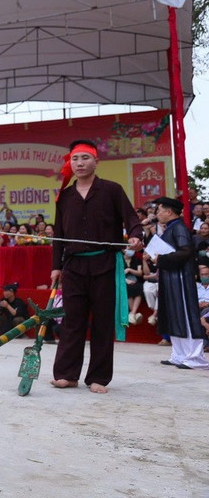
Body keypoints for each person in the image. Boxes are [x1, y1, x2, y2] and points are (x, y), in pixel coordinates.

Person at [50, 140, 143, 394]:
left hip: (104, 265)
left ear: (96, 162)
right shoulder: (65, 196)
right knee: (72, 322)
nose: (79, 164)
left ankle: (98, 377)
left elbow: (132, 219)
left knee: (102, 322)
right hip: (73, 267)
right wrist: (56, 266)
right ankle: (66, 375)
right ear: (70, 163)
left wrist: (136, 236)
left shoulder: (111, 190)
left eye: (85, 158)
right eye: (75, 159)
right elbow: (58, 234)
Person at [148, 197, 209, 369]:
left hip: (181, 278)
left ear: (169, 212)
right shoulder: (171, 228)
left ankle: (195, 358)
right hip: (171, 278)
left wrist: (161, 259)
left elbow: (185, 251)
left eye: (160, 211)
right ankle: (180, 355)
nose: (157, 214)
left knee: (186, 316)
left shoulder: (179, 228)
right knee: (175, 315)